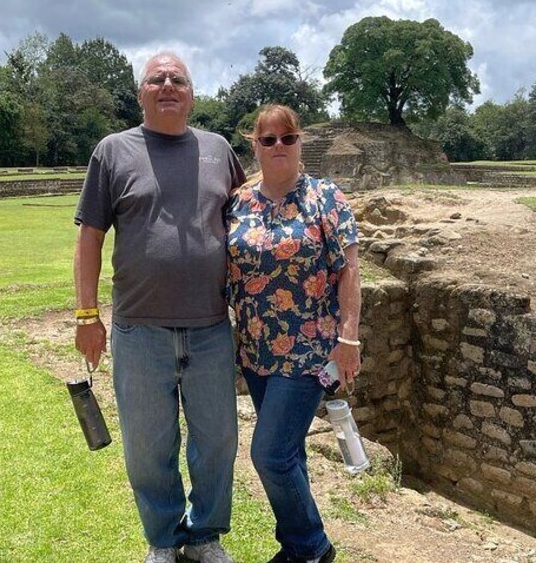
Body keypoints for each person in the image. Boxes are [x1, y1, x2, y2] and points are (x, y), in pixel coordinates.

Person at [73, 52, 246, 563]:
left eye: (178, 79)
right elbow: (89, 239)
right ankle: (164, 539)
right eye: (157, 79)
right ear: (141, 92)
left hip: (212, 327)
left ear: (191, 94)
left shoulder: (218, 150)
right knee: (149, 448)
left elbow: (252, 223)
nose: (168, 85)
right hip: (139, 329)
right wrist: (87, 316)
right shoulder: (113, 152)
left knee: (217, 441)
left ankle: (206, 535)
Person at [226, 105, 362, 563]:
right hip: (257, 351)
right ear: (255, 146)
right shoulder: (239, 203)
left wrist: (349, 339)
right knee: (290, 454)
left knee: (269, 455)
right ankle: (298, 546)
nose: (278, 146)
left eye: (287, 137)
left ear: (300, 141)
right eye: (268, 140)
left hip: (310, 352)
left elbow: (350, 273)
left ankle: (311, 548)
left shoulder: (325, 197)